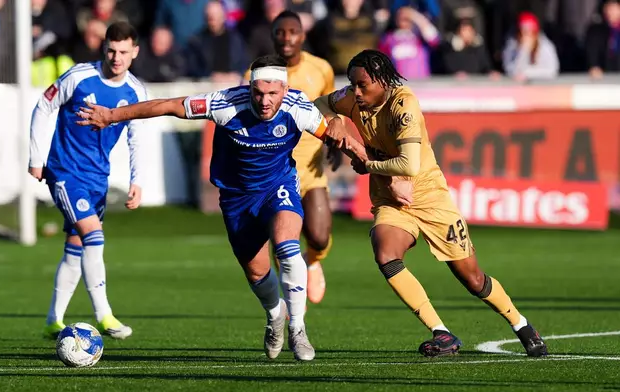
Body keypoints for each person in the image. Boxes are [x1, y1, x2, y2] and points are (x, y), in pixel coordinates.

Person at [75, 55, 358, 361]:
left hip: (278, 188)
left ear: (285, 88)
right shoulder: (223, 103)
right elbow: (168, 105)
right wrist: (112, 116)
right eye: (258, 93)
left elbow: (335, 131)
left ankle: (298, 330)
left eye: (272, 94)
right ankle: (276, 316)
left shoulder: (298, 108)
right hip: (236, 198)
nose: (265, 101)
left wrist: (364, 155)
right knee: (257, 272)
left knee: (288, 247)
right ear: (249, 87)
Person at [313, 49, 549, 358]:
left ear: (383, 81)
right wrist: (332, 122)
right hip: (390, 197)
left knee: (473, 279)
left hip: (429, 196)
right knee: (385, 251)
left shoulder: (404, 106)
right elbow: (315, 106)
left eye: (363, 85)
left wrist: (365, 162)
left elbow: (409, 167)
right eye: (353, 84)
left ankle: (521, 325)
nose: (356, 92)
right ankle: (442, 332)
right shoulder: (353, 98)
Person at [29, 21, 145, 340]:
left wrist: (137, 180)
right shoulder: (79, 76)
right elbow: (43, 106)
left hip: (98, 177)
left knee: (76, 245)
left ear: (134, 52)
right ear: (103, 47)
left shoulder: (135, 91)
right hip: (65, 171)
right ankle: (104, 315)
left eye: (123, 51)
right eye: (111, 49)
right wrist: (36, 158)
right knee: (93, 234)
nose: (116, 57)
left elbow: (136, 138)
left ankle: (53, 320)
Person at [242, 10, 339, 304]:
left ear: (303, 35)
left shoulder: (321, 69)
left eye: (292, 32)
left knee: (319, 236)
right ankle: (286, 299)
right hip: (275, 169)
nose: (286, 38)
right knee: (284, 241)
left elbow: (330, 109)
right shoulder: (256, 73)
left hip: (309, 166)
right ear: (272, 37)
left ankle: (312, 260)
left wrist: (334, 141)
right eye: (280, 32)